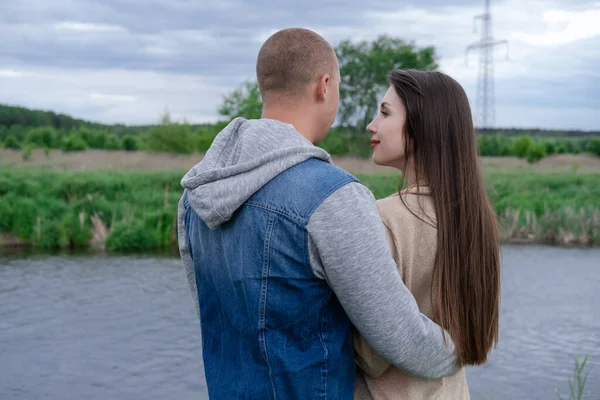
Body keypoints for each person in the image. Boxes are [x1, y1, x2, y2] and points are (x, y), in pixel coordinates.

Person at [177, 29, 459, 400]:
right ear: (323, 86)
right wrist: (460, 349)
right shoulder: (332, 196)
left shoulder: (195, 196)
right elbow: (401, 338)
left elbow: (214, 319)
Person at [353, 69, 501, 399]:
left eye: (385, 112)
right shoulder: (474, 218)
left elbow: (368, 354)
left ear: (422, 126)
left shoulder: (384, 218)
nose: (372, 125)